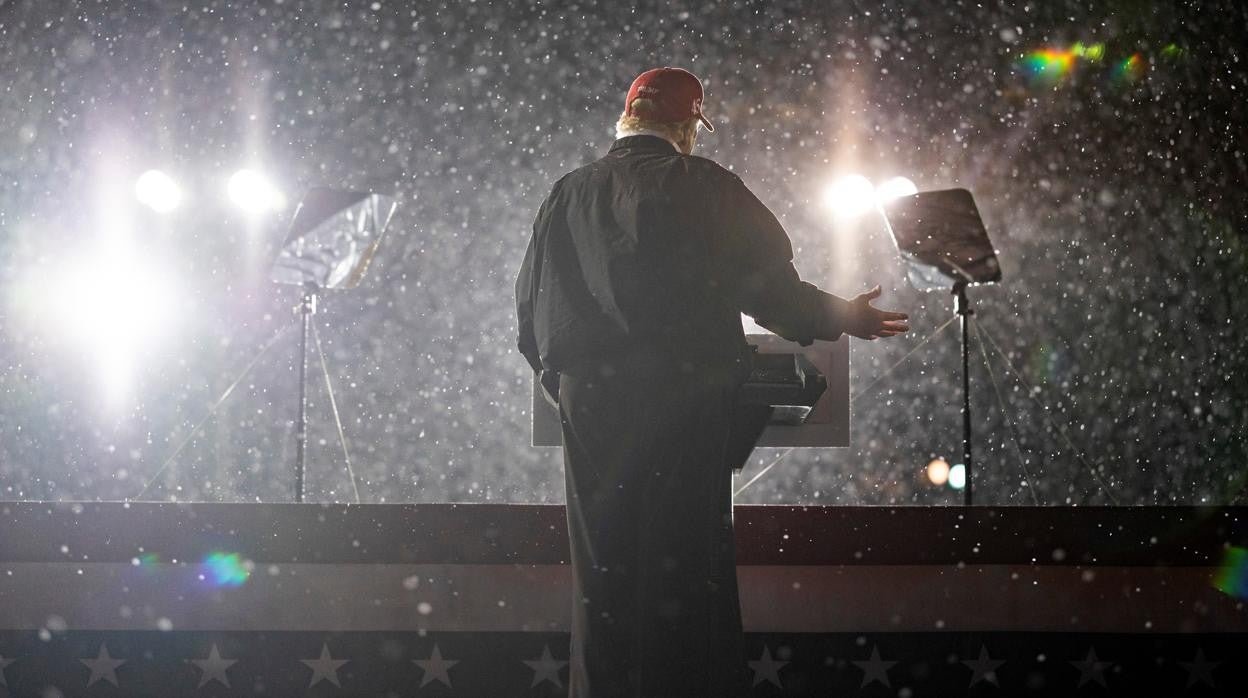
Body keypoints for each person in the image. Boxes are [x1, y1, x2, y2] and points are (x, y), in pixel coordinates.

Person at [515, 67, 909, 698]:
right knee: (687, 566)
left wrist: (567, 383)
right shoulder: (705, 185)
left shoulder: (567, 193)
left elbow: (531, 314)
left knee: (604, 572)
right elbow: (768, 289)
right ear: (685, 125)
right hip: (686, 393)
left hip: (592, 398)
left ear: (627, 118)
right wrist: (842, 316)